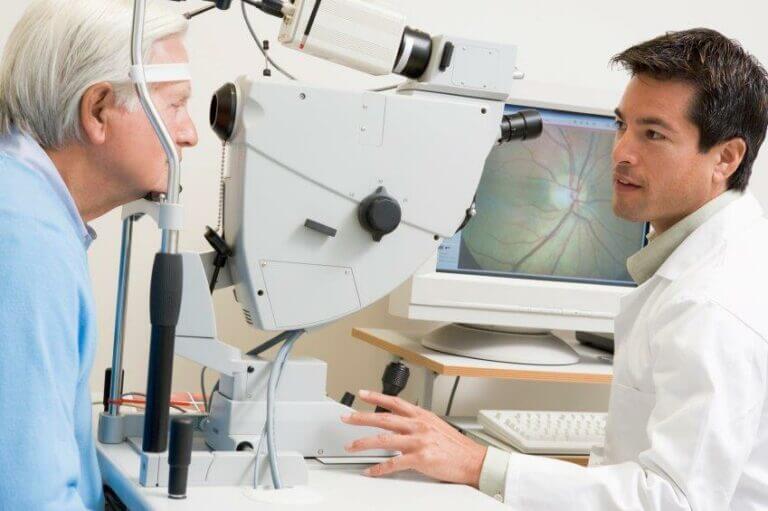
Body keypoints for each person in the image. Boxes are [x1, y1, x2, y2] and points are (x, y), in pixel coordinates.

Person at [343, 28, 768, 510]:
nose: (622, 152)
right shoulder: (709, 261)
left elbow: (673, 501)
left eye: (653, 134)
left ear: (726, 158)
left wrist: (479, 464)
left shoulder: (712, 304)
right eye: (621, 125)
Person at [0, 1, 197, 509]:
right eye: (175, 105)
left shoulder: (27, 204)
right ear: (99, 111)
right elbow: (29, 499)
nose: (190, 134)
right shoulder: (24, 239)